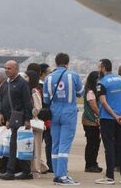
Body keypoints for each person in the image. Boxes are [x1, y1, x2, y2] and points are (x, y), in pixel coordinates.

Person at [43, 53, 84, 185]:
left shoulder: (48, 78)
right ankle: (62, 176)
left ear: (56, 62)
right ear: (68, 62)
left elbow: (46, 99)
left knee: (55, 144)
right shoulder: (73, 75)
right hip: (69, 112)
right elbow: (81, 92)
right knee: (64, 145)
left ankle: (57, 174)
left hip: (54, 113)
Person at [95, 58, 121, 185]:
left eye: (99, 66)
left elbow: (103, 102)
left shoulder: (102, 82)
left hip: (108, 118)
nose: (98, 68)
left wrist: (114, 116)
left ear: (103, 67)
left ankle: (110, 176)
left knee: (109, 147)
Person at [0, 60, 33, 180]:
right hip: (10, 118)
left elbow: (27, 102)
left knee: (16, 144)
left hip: (20, 119)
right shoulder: (5, 83)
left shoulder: (22, 83)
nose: (6, 70)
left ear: (16, 69)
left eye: (9, 68)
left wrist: (28, 119)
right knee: (16, 144)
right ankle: (25, 171)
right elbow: (2, 99)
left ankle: (11, 171)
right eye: (5, 68)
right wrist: (1, 113)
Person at [27, 70, 49, 175]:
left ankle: (36, 168)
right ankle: (41, 166)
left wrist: (31, 114)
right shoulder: (28, 90)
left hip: (34, 123)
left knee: (36, 147)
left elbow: (37, 107)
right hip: (29, 123)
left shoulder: (34, 91)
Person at [83, 71, 102, 173]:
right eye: (98, 78)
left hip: (93, 121)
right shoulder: (90, 92)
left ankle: (93, 163)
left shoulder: (93, 90)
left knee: (95, 143)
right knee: (92, 144)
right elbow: (94, 106)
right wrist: (101, 115)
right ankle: (90, 164)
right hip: (90, 121)